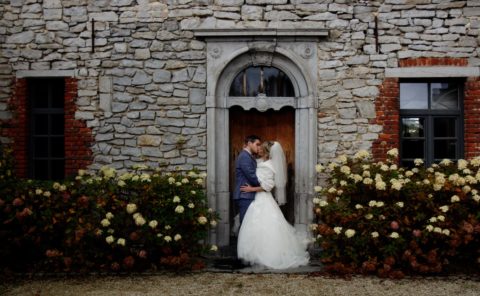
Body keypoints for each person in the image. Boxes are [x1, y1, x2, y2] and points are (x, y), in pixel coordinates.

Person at [237, 141, 310, 269]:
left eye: (260, 147)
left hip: (262, 199)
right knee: (256, 227)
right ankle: (256, 254)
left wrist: (251, 189)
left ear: (265, 152)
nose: (258, 148)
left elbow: (268, 186)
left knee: (264, 227)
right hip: (257, 199)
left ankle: (266, 255)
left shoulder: (268, 166)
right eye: (258, 146)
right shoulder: (260, 162)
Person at [233, 135, 262, 224]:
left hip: (247, 194)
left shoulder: (248, 156)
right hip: (245, 194)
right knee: (245, 223)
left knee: (248, 224)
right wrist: (263, 186)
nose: (259, 147)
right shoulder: (245, 156)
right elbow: (251, 176)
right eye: (257, 144)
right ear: (249, 143)